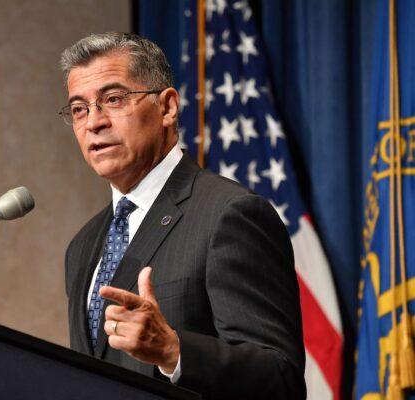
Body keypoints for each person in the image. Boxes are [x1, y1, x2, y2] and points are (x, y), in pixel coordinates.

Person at [60, 32, 305, 399]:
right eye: (80, 108)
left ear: (168, 107)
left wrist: (174, 351)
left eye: (113, 99)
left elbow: (281, 379)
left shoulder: (230, 215)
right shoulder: (82, 246)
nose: (94, 122)